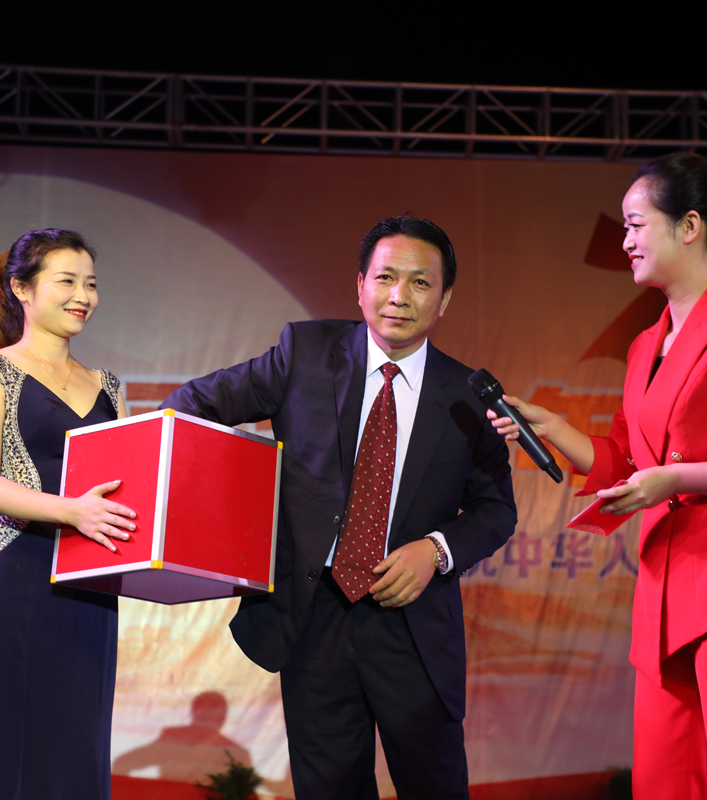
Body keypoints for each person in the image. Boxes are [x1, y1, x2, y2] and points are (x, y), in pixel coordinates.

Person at [490, 154, 707, 799]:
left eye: (636, 224)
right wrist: (554, 428)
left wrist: (674, 481)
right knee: (661, 782)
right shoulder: (647, 344)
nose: (625, 240)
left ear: (689, 226)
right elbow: (629, 460)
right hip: (664, 586)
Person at [162, 215, 518, 800]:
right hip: (313, 615)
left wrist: (435, 551)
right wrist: (230, 513)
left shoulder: (468, 396)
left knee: (435, 786)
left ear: (445, 299)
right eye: (385, 277)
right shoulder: (304, 354)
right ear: (360, 285)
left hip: (412, 622)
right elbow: (191, 405)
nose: (399, 296)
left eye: (420, 283)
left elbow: (496, 509)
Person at [0, 229, 137, 800]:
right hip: (15, 571)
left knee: (75, 736)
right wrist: (71, 511)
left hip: (89, 579)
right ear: (22, 289)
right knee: (3, 737)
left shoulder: (109, 386)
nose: (83, 296)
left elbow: (131, 485)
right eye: (67, 281)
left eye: (91, 284)